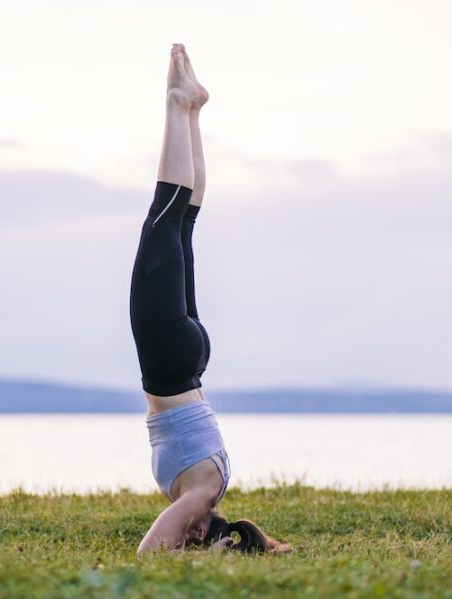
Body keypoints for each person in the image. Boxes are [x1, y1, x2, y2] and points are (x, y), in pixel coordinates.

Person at [130, 44, 291, 555]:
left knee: (180, 224)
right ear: (209, 531)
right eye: (203, 534)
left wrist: (211, 546)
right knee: (165, 218)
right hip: (172, 362)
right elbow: (147, 555)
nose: (192, 531)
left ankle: (191, 110)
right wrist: (202, 554)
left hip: (191, 362)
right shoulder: (201, 494)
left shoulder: (212, 485)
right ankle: (179, 106)